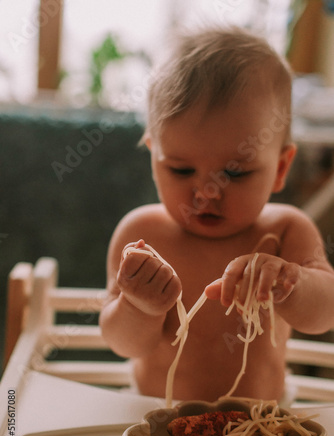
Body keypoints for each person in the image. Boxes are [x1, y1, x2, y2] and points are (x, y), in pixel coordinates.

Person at [99, 26, 334, 404]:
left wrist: (294, 283)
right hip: (153, 420)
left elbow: (325, 314)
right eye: (181, 170)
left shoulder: (288, 230)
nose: (206, 192)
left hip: (260, 428)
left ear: (280, 168)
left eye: (236, 173)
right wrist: (138, 307)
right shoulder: (141, 235)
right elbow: (122, 344)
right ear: (153, 155)